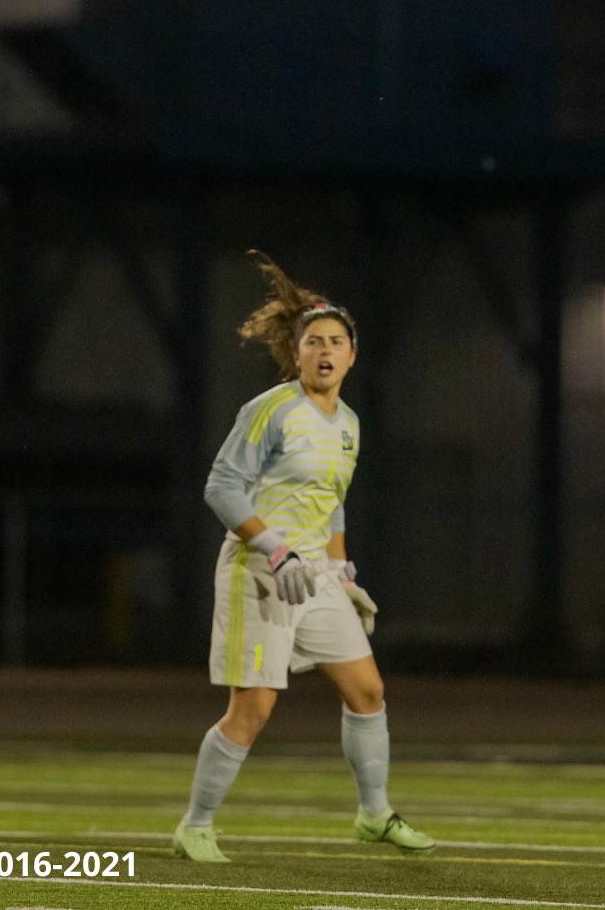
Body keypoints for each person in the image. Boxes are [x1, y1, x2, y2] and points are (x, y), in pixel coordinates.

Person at [173, 250, 435, 863]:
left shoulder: (348, 422)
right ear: (296, 354)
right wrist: (277, 549)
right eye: (313, 340)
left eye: (336, 341)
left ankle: (374, 816)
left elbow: (332, 503)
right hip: (259, 573)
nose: (325, 349)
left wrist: (340, 569)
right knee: (253, 710)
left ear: (352, 354)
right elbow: (221, 488)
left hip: (314, 575)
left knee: (367, 691)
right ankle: (196, 825)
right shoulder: (271, 409)